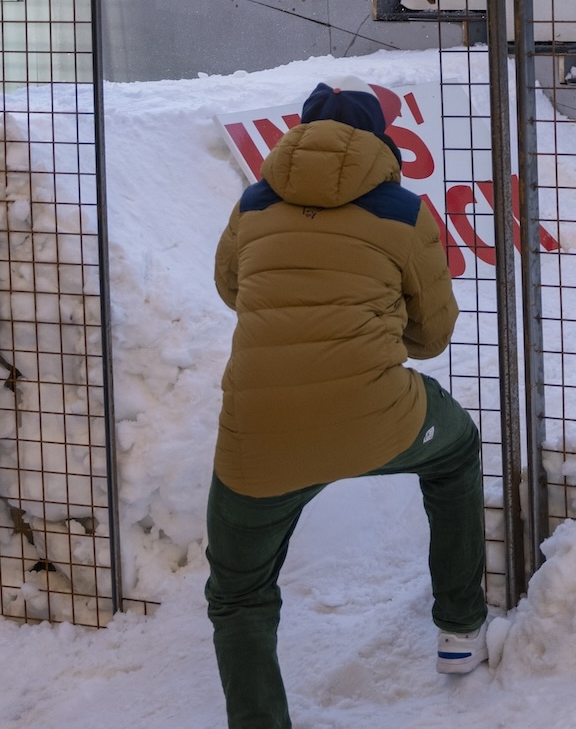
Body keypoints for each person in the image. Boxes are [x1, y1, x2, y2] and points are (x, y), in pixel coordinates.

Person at [205, 83, 488, 729]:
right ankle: (460, 627)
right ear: (381, 141)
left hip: (258, 439)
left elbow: (231, 287)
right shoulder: (404, 211)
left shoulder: (253, 202)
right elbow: (433, 334)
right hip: (378, 416)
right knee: (455, 452)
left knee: (238, 593)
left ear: (299, 135)